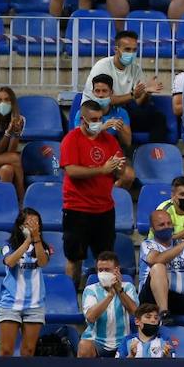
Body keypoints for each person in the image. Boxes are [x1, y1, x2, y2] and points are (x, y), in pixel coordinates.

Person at [59, 99, 126, 283]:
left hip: (104, 210)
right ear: (83, 119)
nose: (98, 123)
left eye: (100, 118)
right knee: (74, 259)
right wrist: (102, 170)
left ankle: (104, 302)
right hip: (77, 209)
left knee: (105, 261)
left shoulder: (110, 140)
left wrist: (119, 168)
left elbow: (120, 169)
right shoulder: (71, 140)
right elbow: (71, 171)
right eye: (94, 119)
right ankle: (72, 299)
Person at [82, 30, 169, 143]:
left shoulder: (135, 68)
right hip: (99, 112)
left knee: (158, 118)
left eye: (134, 50)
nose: (131, 53)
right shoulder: (102, 66)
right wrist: (133, 94)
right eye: (127, 49)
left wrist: (146, 93)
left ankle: (155, 154)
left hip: (123, 112)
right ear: (116, 49)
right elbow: (103, 99)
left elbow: (137, 102)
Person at [139, 209, 184, 324]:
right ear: (152, 229)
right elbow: (156, 259)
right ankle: (164, 313)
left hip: (178, 298)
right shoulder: (148, 244)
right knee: (158, 267)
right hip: (151, 299)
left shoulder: (180, 245)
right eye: (161, 225)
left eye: (169, 223)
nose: (166, 227)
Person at [0, 208, 49, 357]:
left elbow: (43, 262)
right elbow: (10, 262)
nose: (32, 227)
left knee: (28, 351)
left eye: (36, 223)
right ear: (20, 226)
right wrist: (27, 241)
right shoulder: (9, 245)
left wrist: (36, 240)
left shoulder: (43, 247)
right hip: (10, 302)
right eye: (29, 223)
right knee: (6, 350)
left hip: (35, 304)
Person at [79, 251, 138, 357]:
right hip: (96, 340)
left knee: (137, 347)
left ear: (117, 270)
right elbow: (90, 317)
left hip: (123, 341)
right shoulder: (90, 289)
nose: (103, 273)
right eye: (100, 270)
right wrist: (110, 295)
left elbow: (135, 312)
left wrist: (119, 290)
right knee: (84, 346)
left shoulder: (128, 287)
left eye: (107, 270)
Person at [87, 75, 135, 185]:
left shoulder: (121, 113)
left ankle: (111, 193)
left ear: (111, 93)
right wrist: (102, 128)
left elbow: (127, 142)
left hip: (113, 155)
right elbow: (78, 138)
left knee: (129, 175)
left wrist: (120, 128)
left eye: (104, 91)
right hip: (89, 154)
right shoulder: (84, 112)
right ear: (92, 92)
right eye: (97, 91)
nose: (100, 95)